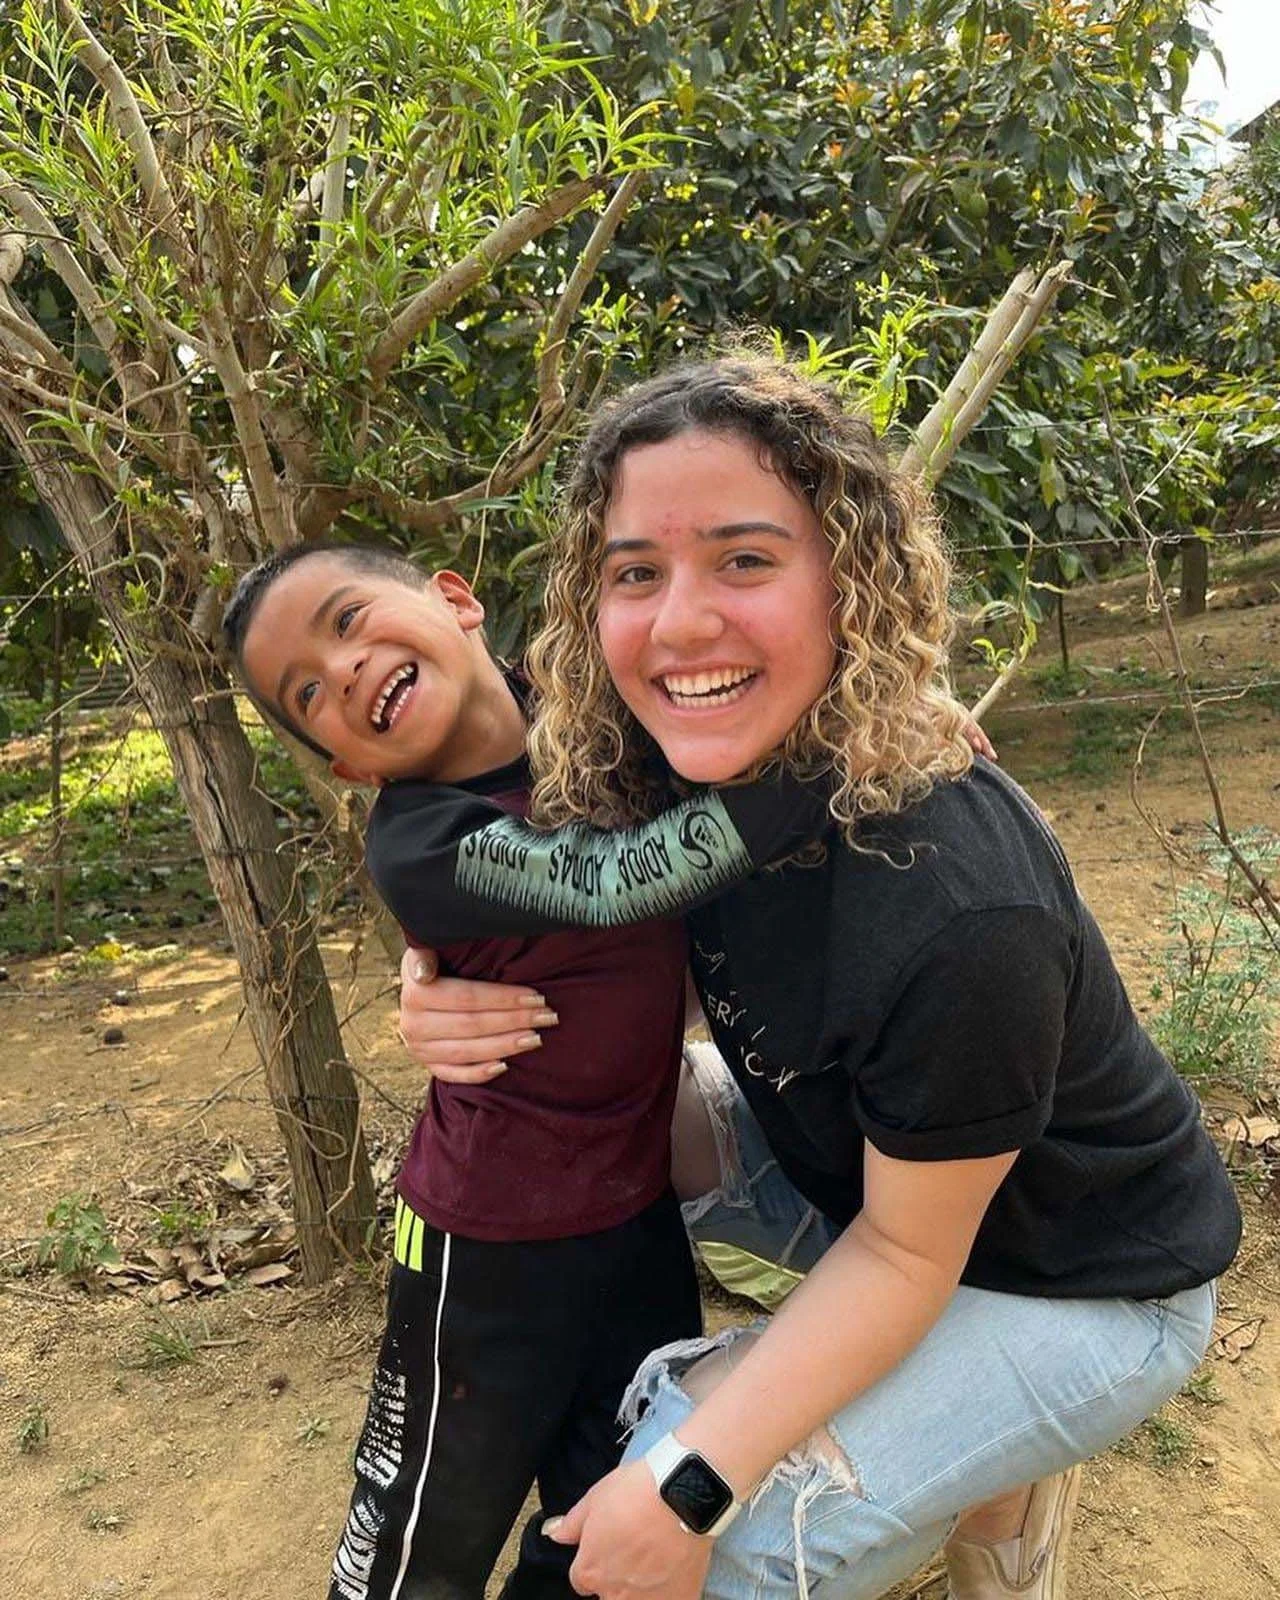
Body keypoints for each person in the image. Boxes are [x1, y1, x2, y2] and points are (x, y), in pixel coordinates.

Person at [391, 354, 1242, 1600]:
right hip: (864, 1171)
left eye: (743, 560)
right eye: (636, 572)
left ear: (850, 579)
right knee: (581, 1119)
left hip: (1082, 1274)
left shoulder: (954, 903)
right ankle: (966, 1455)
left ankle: (997, 1472)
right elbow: (586, 927)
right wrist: (446, 987)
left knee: (709, 1543)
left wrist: (690, 1479)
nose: (680, 624)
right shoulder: (675, 756)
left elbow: (904, 1257)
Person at [221, 541, 832, 1600]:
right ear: (347, 768)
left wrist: (867, 717)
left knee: (608, 1505)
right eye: (307, 692)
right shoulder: (419, 842)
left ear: (455, 599)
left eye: (348, 619)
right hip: (485, 1249)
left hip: (636, 1212)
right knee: (420, 1534)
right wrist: (840, 754)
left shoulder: (588, 714)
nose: (344, 670)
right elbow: (615, 878)